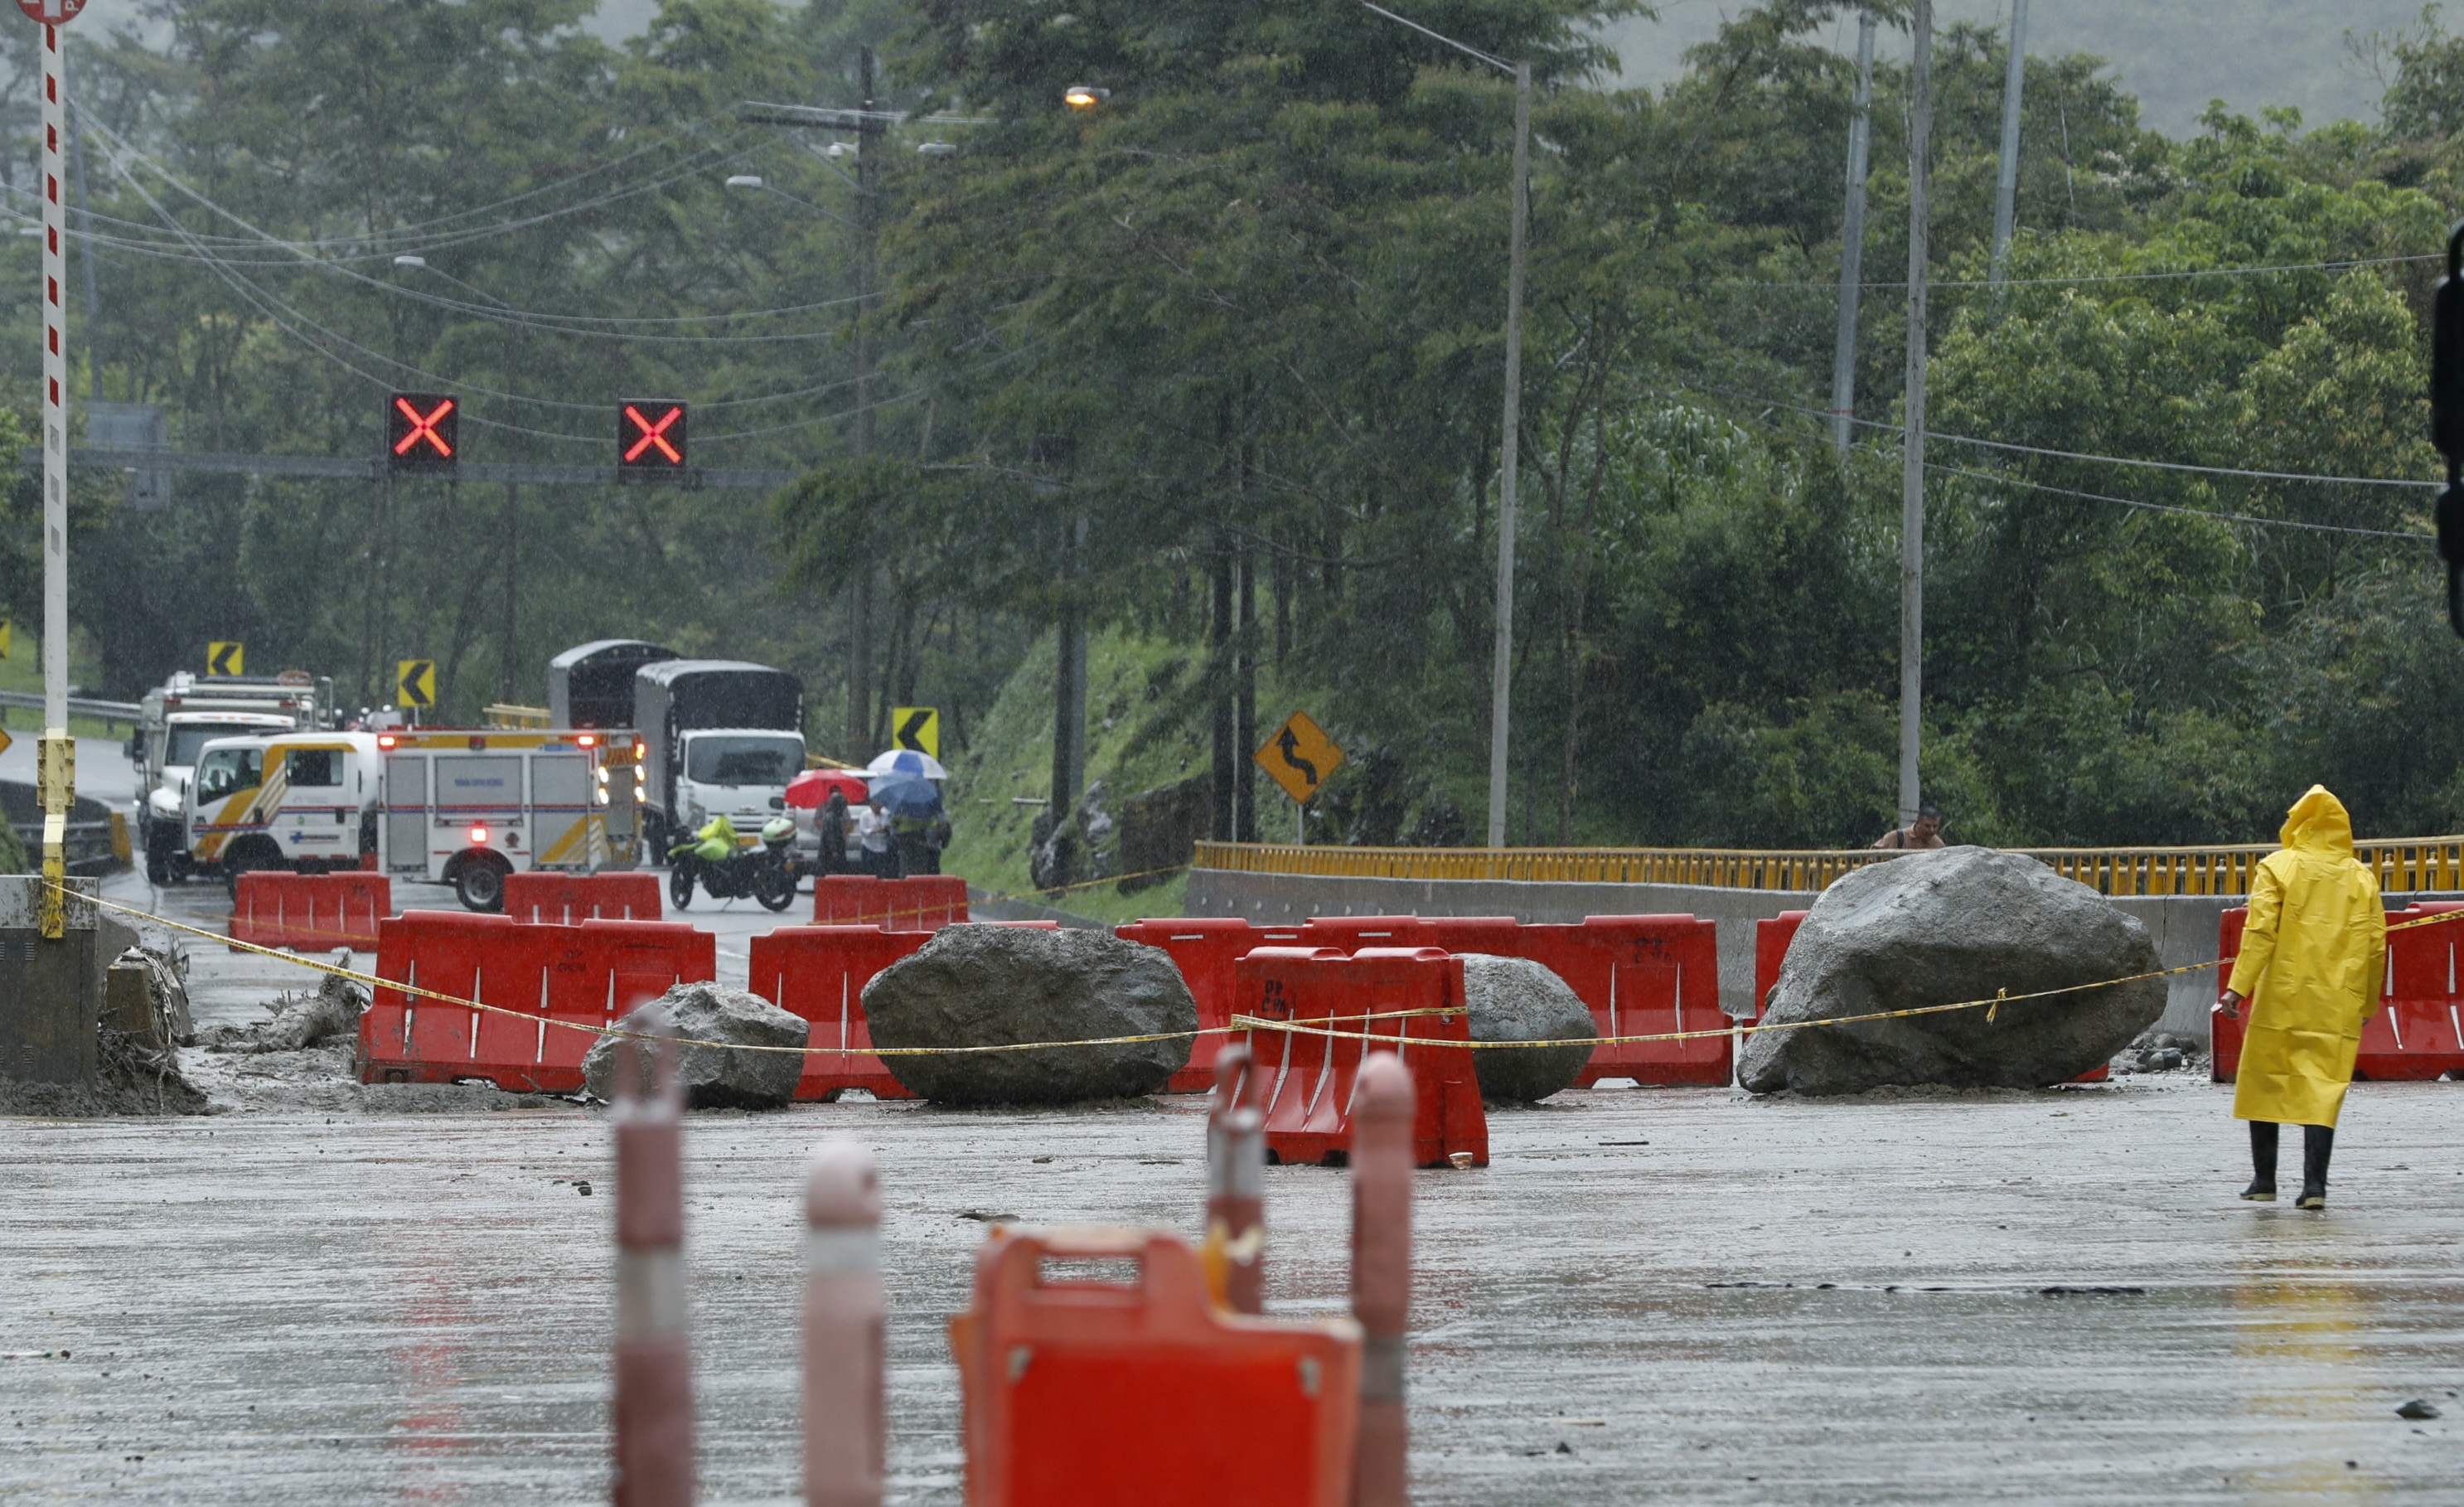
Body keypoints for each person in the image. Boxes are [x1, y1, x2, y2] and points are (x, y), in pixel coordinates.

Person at [2215, 785, 2387, 1210]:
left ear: (2299, 826)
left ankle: (2263, 1181)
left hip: (2283, 997)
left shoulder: (2278, 867)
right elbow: (2375, 946)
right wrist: (2367, 1003)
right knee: (2323, 1089)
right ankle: (2315, 1188)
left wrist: (2238, 987)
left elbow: (2260, 932)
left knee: (2264, 1079)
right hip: (2336, 1000)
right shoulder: (2361, 877)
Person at [1871, 804, 1945, 850]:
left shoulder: (1939, 846)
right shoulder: (1896, 837)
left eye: (1935, 826)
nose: (1931, 830)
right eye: (1927, 826)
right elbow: (1871, 856)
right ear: (1918, 823)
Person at [856, 798, 896, 879]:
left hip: (882, 847)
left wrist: (887, 830)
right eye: (876, 805)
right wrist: (875, 831)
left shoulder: (885, 814)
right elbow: (863, 831)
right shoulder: (865, 815)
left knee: (882, 871)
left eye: (879, 806)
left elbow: (890, 828)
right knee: (869, 872)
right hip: (869, 847)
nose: (878, 808)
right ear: (872, 805)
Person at [816, 790, 850, 878]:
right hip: (831, 853)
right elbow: (831, 835)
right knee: (832, 874)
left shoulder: (833, 816)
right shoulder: (831, 817)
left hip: (832, 851)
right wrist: (834, 850)